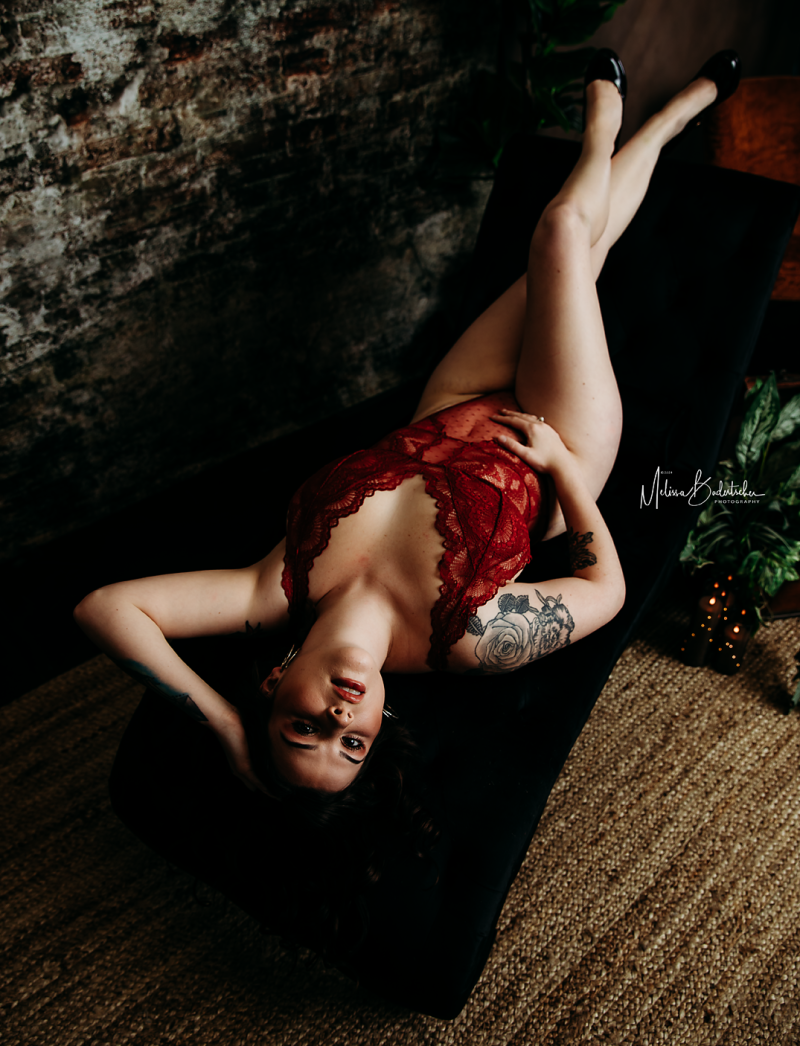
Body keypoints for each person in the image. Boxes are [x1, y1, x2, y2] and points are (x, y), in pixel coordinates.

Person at [75, 49, 741, 804]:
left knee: (576, 252)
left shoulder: (273, 589)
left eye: (303, 728)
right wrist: (561, 466)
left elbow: (103, 608)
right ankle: (628, 127)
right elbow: (606, 590)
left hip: (450, 401)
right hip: (560, 439)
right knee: (562, 235)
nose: (338, 718)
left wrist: (224, 725)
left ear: (272, 683)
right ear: (380, 723)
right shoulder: (469, 642)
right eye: (353, 744)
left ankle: (659, 126)